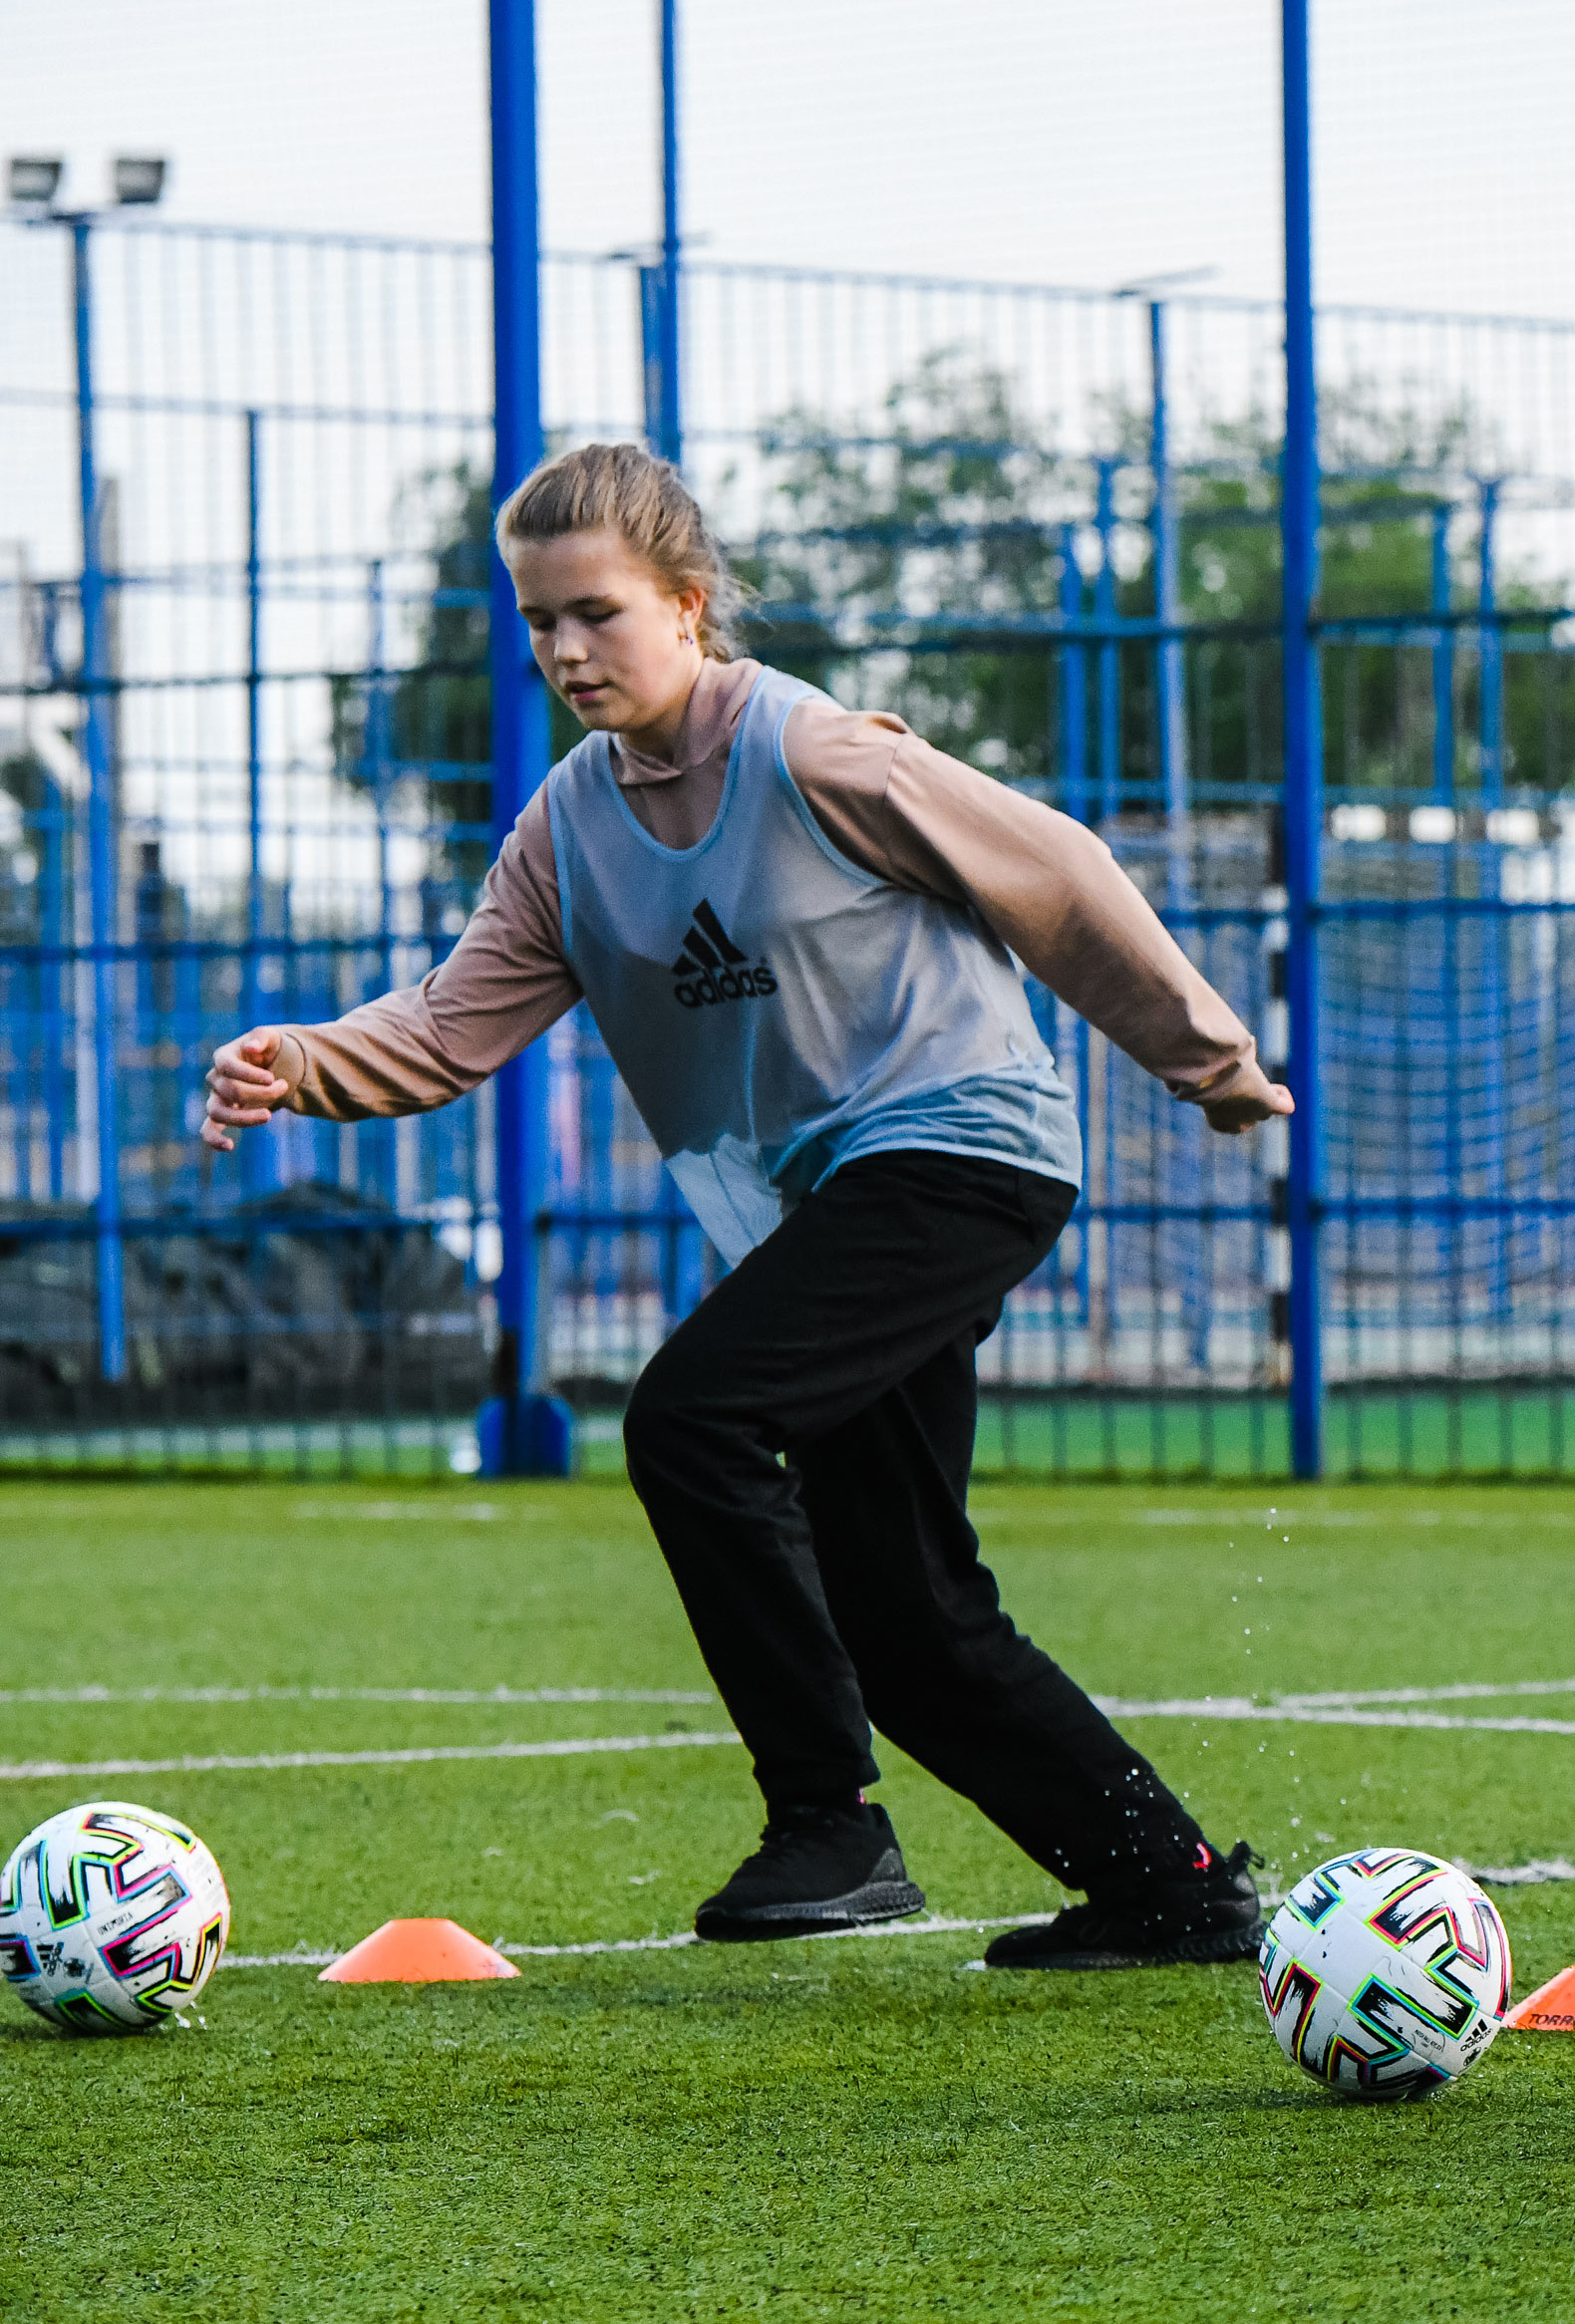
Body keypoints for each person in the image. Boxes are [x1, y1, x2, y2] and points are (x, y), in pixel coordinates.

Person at [197, 443, 1288, 1970]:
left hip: (961, 1151)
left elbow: (1059, 872)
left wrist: (1207, 1060)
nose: (565, 652)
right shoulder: (568, 833)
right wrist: (297, 1060)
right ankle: (1169, 1887)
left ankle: (827, 1823)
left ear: (690, 605)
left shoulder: (817, 751)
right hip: (829, 1208)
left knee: (693, 1417)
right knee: (904, 1609)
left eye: (597, 613)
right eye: (536, 624)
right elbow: (453, 1026)